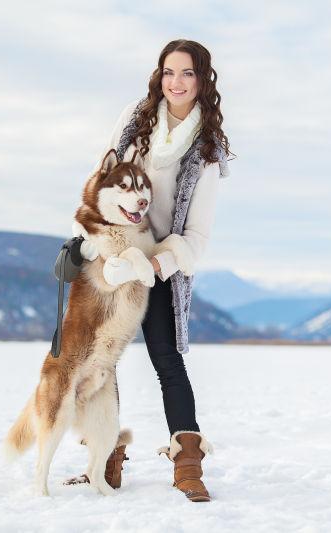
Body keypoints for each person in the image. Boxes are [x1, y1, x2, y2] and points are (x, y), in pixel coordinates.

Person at [73, 39, 231, 502]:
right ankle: (107, 460)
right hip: (116, 253)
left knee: (166, 360)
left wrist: (156, 267)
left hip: (161, 263)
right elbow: (101, 177)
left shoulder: (206, 152)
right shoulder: (135, 119)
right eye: (168, 72)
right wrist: (90, 236)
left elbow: (196, 239)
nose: (175, 82)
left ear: (203, 81)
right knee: (104, 358)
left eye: (186, 73)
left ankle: (188, 465)